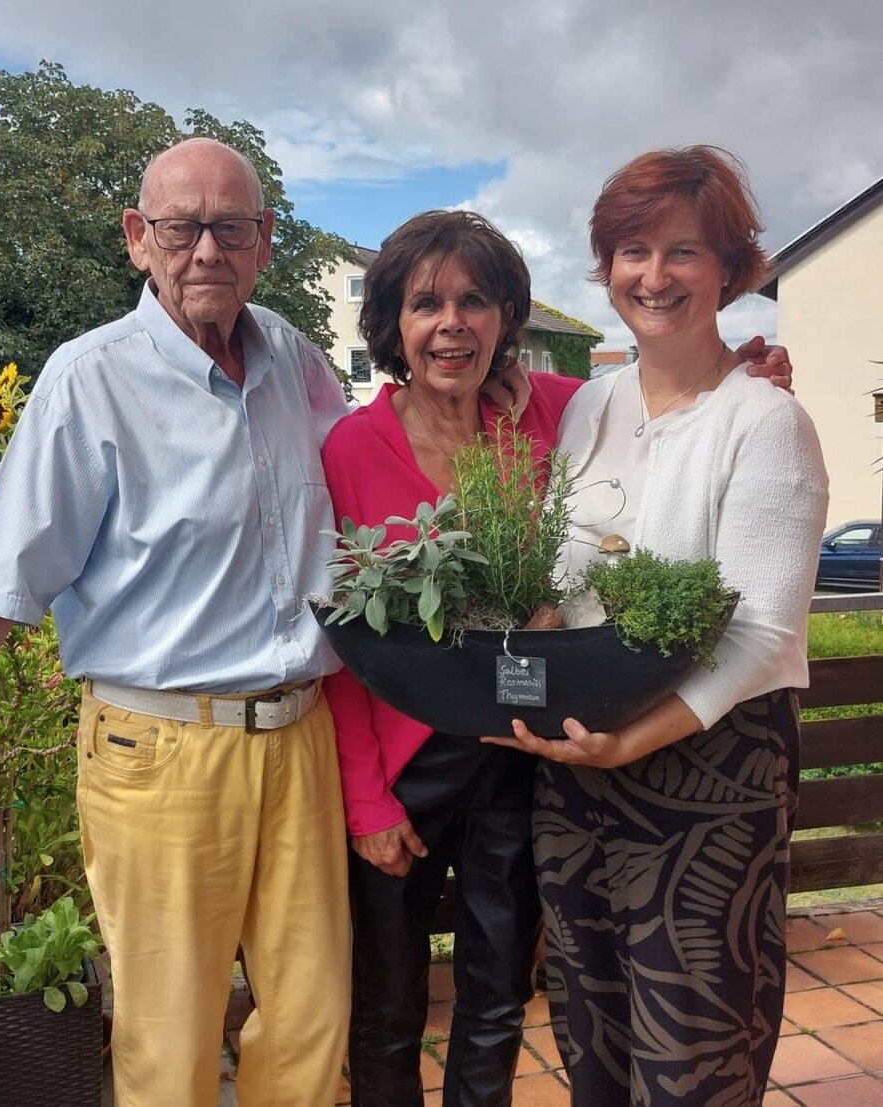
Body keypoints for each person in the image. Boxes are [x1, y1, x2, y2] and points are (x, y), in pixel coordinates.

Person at [0, 137, 357, 1107]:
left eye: (229, 228)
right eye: (179, 227)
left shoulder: (295, 359)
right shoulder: (90, 381)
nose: (205, 251)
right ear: (134, 239)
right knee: (171, 1046)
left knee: (313, 1032)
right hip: (159, 750)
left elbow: (368, 467)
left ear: (264, 240)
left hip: (300, 737)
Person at [320, 208, 795, 1107]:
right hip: (401, 767)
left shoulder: (556, 412)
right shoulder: (350, 446)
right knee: (384, 1004)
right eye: (426, 304)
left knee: (497, 991)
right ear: (394, 325)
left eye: (474, 301)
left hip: (519, 754)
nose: (451, 323)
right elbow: (345, 641)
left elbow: (670, 409)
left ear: (505, 318)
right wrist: (365, 798)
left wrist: (752, 375)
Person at [484, 146, 828, 1106]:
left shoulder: (764, 423)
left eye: (684, 251)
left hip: (705, 775)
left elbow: (760, 635)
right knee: (593, 1047)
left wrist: (630, 740)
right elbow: (559, 576)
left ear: (732, 268)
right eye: (632, 250)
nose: (654, 275)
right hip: (581, 778)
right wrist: (518, 671)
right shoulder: (592, 403)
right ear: (605, 268)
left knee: (696, 1060)